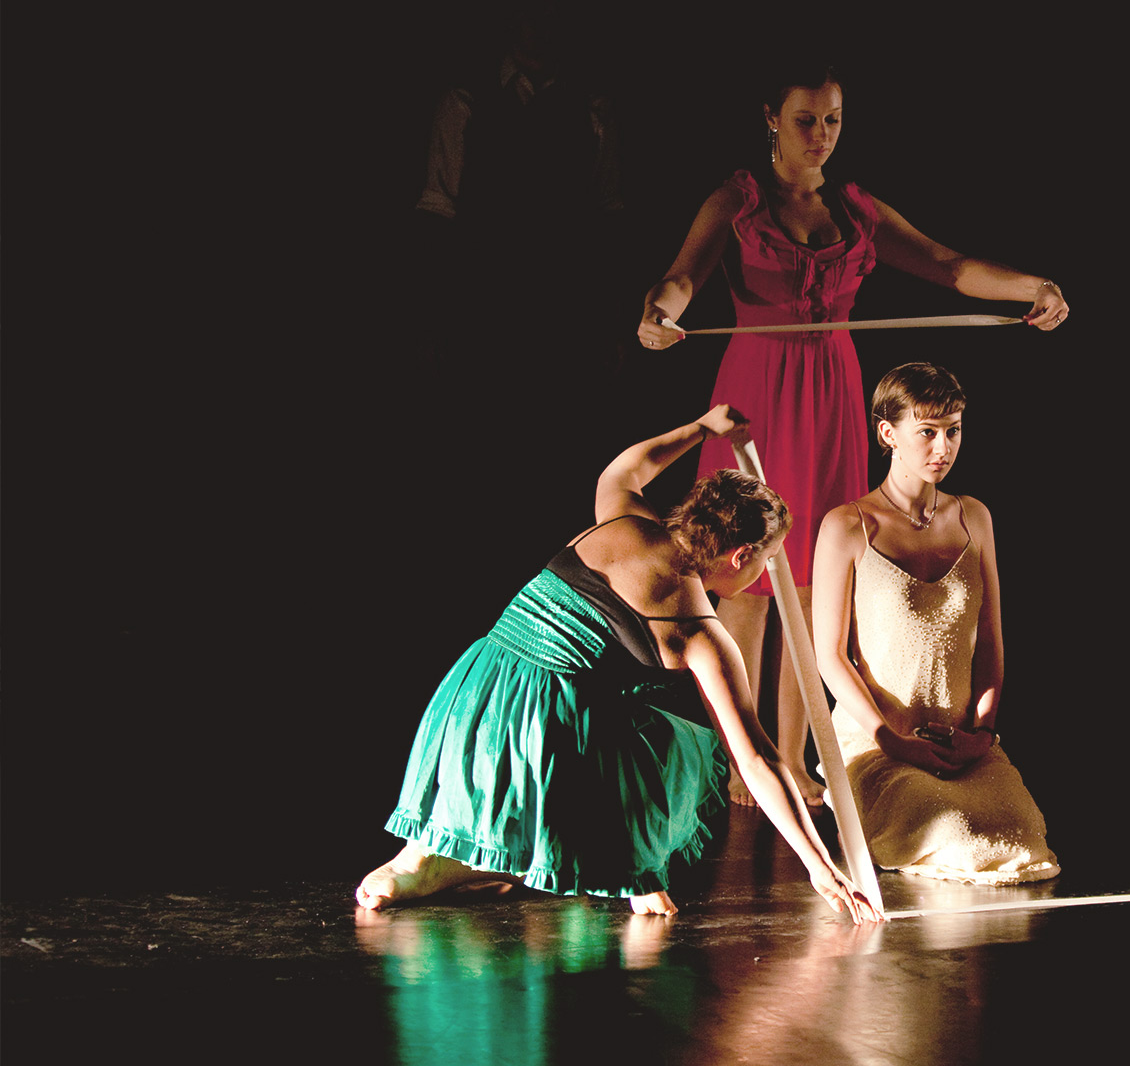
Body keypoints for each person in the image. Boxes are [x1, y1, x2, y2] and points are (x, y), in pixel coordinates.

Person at [634, 65, 1069, 808]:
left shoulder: (856, 209)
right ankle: (743, 759)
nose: (821, 135)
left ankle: (795, 754)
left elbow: (948, 265)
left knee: (813, 579)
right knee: (747, 578)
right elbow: (681, 277)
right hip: (758, 389)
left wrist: (1034, 287)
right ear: (771, 118)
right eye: (806, 120)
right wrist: (661, 313)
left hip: (832, 390)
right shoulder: (738, 201)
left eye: (833, 120)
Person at [356, 406, 877, 921]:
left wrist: (701, 428)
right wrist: (820, 865)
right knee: (682, 745)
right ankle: (628, 868)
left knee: (617, 701)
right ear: (740, 555)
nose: (764, 572)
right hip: (541, 736)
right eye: (767, 559)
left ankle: (420, 858)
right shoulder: (700, 631)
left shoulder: (625, 519)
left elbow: (623, 469)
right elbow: (757, 760)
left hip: (470, 700)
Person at [809, 363, 1059, 884]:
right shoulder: (846, 526)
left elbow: (990, 639)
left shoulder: (974, 517)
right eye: (927, 432)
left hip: (959, 743)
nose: (943, 447)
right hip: (879, 743)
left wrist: (982, 733)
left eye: (953, 430)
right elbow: (829, 655)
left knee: (1022, 836)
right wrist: (890, 738)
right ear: (888, 433)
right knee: (951, 832)